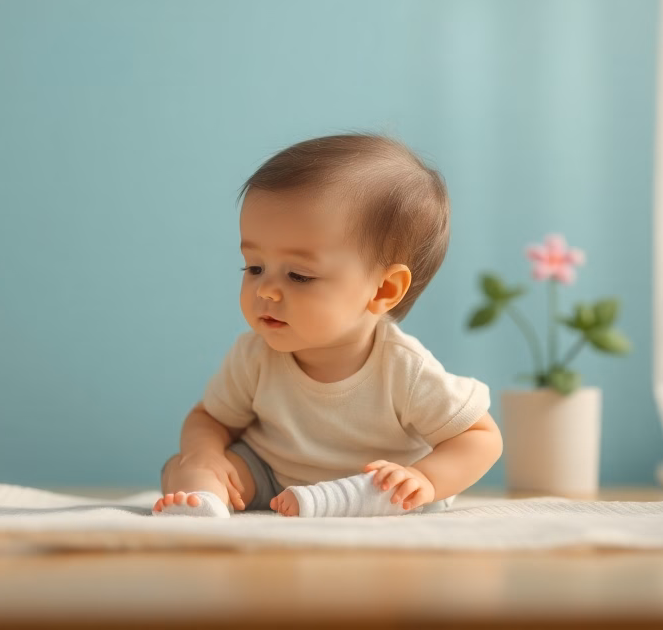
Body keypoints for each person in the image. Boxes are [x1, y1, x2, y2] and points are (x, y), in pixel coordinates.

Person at [153, 134, 502, 518]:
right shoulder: (254, 355)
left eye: (299, 275)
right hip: (270, 476)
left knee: (396, 493)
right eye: (254, 267)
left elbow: (480, 438)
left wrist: (424, 478)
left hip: (371, 485)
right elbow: (209, 418)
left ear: (383, 289)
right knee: (186, 466)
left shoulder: (404, 370)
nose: (266, 290)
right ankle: (204, 504)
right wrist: (205, 453)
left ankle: (344, 501)